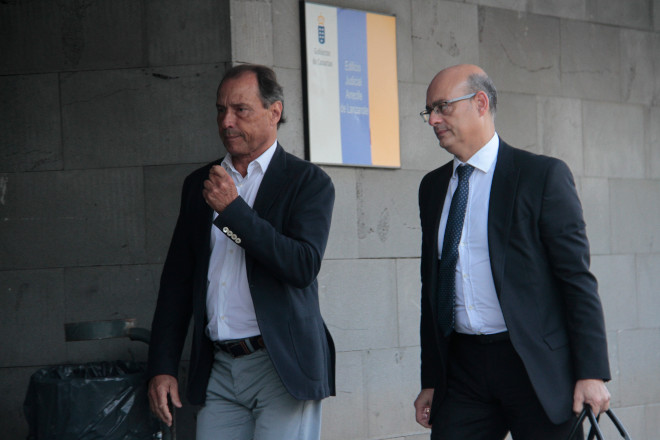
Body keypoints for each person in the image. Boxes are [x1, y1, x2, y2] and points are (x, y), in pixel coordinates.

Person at [413, 64, 611, 439]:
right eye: (429, 111)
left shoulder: (541, 176)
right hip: (463, 371)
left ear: (480, 103)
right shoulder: (432, 187)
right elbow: (432, 289)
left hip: (535, 368)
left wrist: (592, 373)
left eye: (442, 107)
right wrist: (432, 379)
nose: (433, 120)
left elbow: (576, 279)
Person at [146, 63, 336, 440]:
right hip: (219, 367)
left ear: (274, 111)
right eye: (221, 110)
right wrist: (162, 365)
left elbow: (302, 266)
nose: (227, 121)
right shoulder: (199, 185)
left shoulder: (307, 182)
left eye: (241, 109)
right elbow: (177, 283)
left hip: (281, 365)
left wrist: (233, 212)